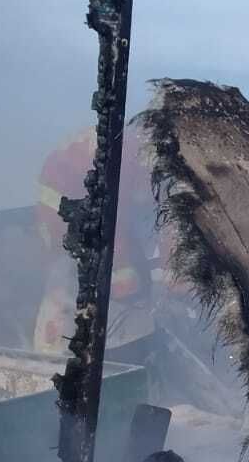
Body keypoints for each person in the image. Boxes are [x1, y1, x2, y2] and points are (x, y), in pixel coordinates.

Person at [31, 124, 158, 354]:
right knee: (73, 293)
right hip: (71, 217)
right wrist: (128, 290)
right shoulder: (128, 161)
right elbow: (113, 234)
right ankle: (65, 353)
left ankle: (56, 347)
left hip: (60, 216)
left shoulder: (127, 146)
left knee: (62, 284)